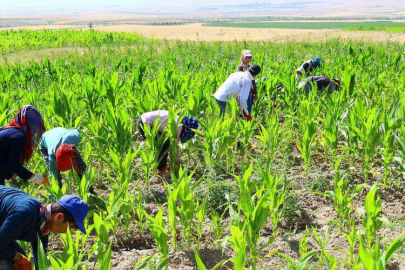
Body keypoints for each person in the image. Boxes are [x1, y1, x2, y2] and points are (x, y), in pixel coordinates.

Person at [0, 185, 89, 270]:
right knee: (7, 265)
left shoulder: (43, 226)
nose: (67, 232)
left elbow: (39, 260)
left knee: (20, 261)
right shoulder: (24, 213)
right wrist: (19, 258)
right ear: (59, 217)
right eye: (70, 227)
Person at [137, 110, 199, 176]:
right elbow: (175, 146)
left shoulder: (179, 120)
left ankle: (163, 168)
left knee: (165, 144)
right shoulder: (179, 125)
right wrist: (177, 162)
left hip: (147, 121)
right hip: (145, 123)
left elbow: (175, 145)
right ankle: (161, 170)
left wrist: (176, 161)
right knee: (163, 147)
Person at [0, 105, 48, 186]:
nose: (33, 132)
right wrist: (37, 179)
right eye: (32, 127)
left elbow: (5, 156)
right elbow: (13, 164)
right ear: (27, 124)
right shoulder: (18, 136)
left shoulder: (11, 130)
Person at [39, 127, 95, 194]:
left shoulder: (75, 137)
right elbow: (53, 178)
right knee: (56, 178)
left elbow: (74, 129)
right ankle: (57, 196)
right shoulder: (52, 156)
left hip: (61, 134)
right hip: (45, 142)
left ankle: (90, 191)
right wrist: (54, 196)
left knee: (80, 167)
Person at [236, 50, 258, 114]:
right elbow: (240, 79)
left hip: (249, 93)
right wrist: (245, 70)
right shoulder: (239, 67)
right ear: (243, 58)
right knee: (242, 111)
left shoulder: (250, 67)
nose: (248, 59)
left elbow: (252, 81)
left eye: (250, 57)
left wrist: (255, 93)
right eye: (246, 57)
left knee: (248, 110)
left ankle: (247, 122)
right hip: (242, 93)